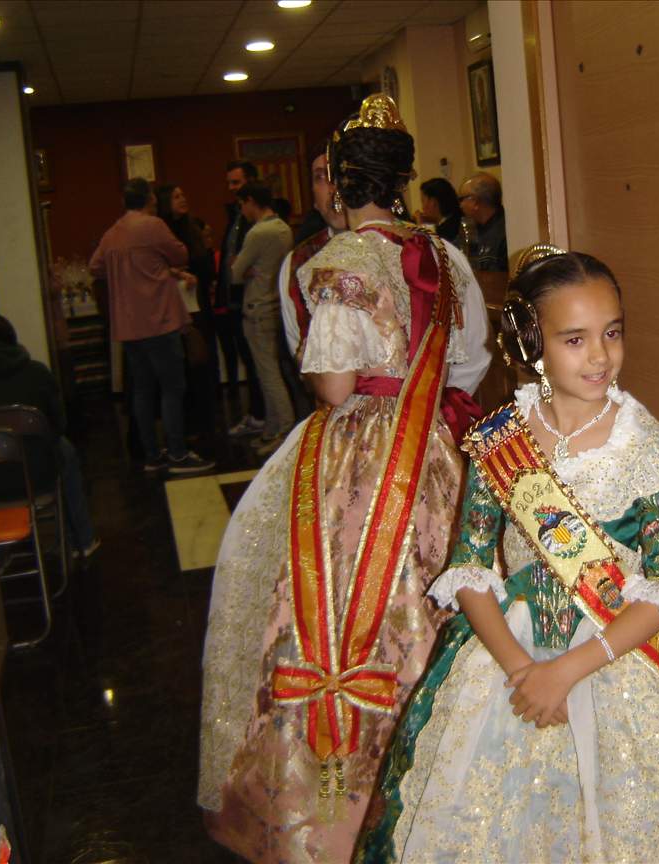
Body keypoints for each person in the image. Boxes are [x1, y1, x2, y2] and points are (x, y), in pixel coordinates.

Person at [356, 246, 659, 864]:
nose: (600, 356)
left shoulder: (644, 445)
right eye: (575, 339)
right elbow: (471, 567)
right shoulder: (500, 438)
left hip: (617, 655)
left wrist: (567, 671)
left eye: (612, 333)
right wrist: (523, 670)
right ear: (533, 343)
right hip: (509, 657)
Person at [198, 94, 492, 863]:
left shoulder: (341, 261)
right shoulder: (439, 254)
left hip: (361, 452)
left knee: (325, 601)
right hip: (431, 446)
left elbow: (333, 385)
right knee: (435, 590)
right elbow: (465, 356)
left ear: (342, 181)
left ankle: (334, 801)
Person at [89, 178, 214, 474]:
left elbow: (96, 266)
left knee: (142, 390)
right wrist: (161, 269)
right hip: (158, 319)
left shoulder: (112, 232)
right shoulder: (152, 225)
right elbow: (181, 254)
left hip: (128, 325)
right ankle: (178, 454)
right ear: (149, 199)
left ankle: (152, 455)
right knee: (172, 387)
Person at [0, 313, 99, 557]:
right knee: (65, 450)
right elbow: (58, 425)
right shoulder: (37, 373)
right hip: (37, 476)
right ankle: (82, 540)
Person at [276, 139, 348, 422]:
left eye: (340, 174)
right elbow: (300, 350)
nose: (333, 189)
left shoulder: (417, 251)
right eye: (321, 178)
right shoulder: (299, 264)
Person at [231, 181, 294, 454]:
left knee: (268, 374)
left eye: (242, 204)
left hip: (257, 307)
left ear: (250, 201)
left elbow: (235, 272)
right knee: (271, 370)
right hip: (275, 305)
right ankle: (272, 427)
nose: (242, 211)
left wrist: (246, 270)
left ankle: (284, 430)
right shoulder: (284, 229)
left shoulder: (257, 233)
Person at [156, 183, 217, 446]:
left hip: (197, 304)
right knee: (182, 368)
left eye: (183, 195)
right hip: (174, 308)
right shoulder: (161, 231)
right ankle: (186, 424)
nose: (182, 199)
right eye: (176, 196)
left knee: (201, 362)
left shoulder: (192, 228)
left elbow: (205, 265)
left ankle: (206, 421)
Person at [216, 160, 266, 438]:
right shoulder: (237, 216)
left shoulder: (260, 223)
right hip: (237, 298)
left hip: (253, 299)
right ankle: (257, 414)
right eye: (229, 183)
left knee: (261, 364)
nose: (232, 188)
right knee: (250, 360)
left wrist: (238, 267)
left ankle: (263, 417)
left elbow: (247, 264)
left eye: (236, 182)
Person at [458, 171, 507, 271]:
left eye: (462, 199)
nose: (460, 205)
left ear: (475, 201)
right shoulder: (471, 229)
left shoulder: (506, 234)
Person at [417, 176, 462, 244]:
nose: (422, 207)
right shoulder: (457, 218)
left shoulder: (444, 231)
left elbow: (421, 246)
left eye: (423, 201)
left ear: (433, 202)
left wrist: (420, 224)